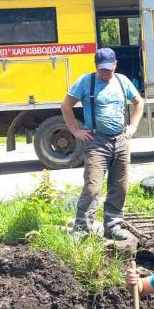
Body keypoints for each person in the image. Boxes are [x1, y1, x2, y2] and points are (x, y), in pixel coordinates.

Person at [61, 48, 144, 240]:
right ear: (96, 66)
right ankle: (81, 229)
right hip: (96, 141)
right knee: (92, 186)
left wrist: (132, 126)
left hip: (121, 140)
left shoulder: (122, 81)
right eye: (102, 69)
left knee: (120, 186)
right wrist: (75, 131)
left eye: (109, 68)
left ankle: (113, 226)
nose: (106, 73)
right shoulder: (85, 82)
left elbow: (139, 102)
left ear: (115, 64)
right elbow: (66, 106)